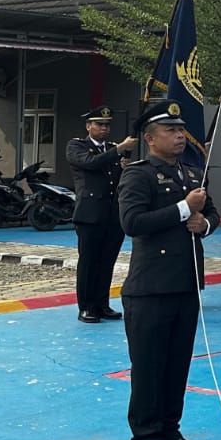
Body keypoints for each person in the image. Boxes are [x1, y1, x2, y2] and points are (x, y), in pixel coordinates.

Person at [117, 99, 219, 440]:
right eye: (170, 131)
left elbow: (212, 213)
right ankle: (146, 436)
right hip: (150, 288)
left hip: (186, 283)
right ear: (150, 138)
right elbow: (132, 222)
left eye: (180, 130)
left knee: (178, 363)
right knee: (148, 365)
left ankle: (170, 429)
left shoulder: (191, 173)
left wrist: (203, 224)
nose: (179, 135)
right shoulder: (138, 174)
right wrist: (182, 210)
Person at [66, 106, 137, 323]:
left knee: (107, 261)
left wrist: (124, 165)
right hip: (90, 214)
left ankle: (102, 304)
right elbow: (90, 163)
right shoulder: (77, 145)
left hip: (112, 213)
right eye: (99, 124)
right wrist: (118, 151)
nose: (104, 128)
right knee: (89, 262)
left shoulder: (114, 149)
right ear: (89, 126)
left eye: (107, 125)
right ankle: (86, 306)